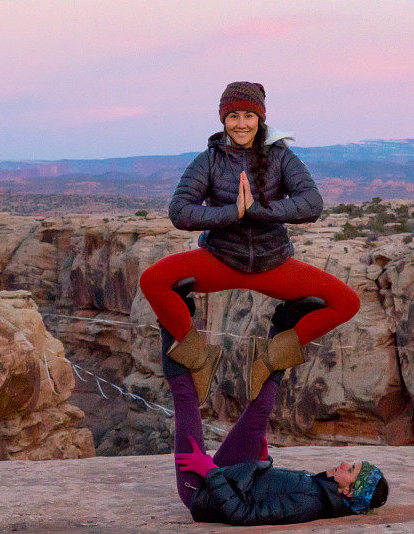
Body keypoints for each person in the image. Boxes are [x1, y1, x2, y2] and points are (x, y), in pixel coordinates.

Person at [139, 80, 361, 405]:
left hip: (273, 263)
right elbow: (180, 211)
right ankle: (198, 356)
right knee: (153, 280)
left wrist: (258, 210)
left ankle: (271, 356)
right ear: (223, 120)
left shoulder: (281, 157)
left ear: (260, 119)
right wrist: (233, 212)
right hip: (221, 260)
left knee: (346, 302)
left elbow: (312, 203)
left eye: (248, 115)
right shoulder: (209, 160)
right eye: (233, 116)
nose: (241, 124)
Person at [162, 294, 388, 526]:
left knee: (186, 399)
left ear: (349, 491)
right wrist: (264, 460)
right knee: (258, 416)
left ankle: (168, 324)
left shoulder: (310, 503)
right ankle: (282, 327)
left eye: (350, 469)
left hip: (201, 493)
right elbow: (267, 490)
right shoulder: (321, 488)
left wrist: (209, 472)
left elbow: (242, 514)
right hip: (233, 477)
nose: (343, 463)